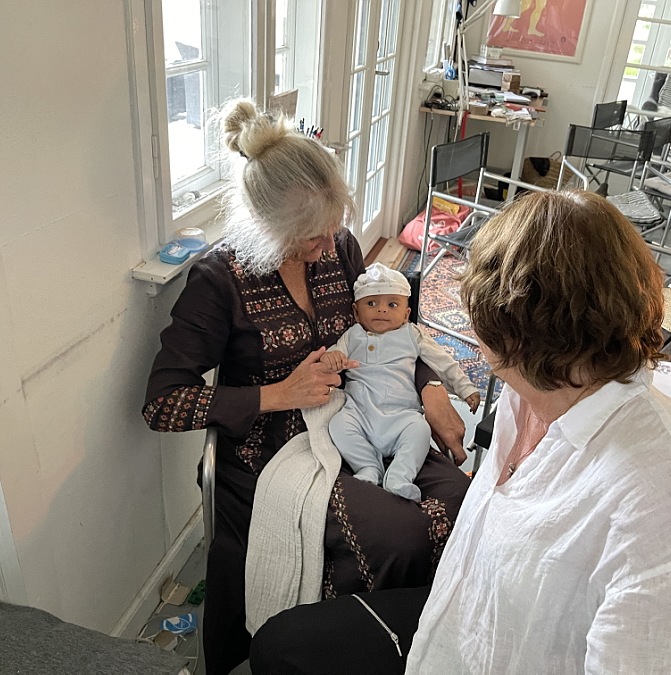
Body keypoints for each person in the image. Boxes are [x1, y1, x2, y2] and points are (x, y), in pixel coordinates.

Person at [250, 190, 671, 674]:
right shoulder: (531, 388)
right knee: (278, 646)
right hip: (457, 621)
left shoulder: (667, 509)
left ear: (514, 334)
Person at [142, 99, 471, 675]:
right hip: (271, 449)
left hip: (364, 412)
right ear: (267, 228)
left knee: (461, 500)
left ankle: (418, 649)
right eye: (312, 238)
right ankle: (337, 652)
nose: (330, 247)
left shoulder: (337, 248)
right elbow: (162, 404)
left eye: (333, 229)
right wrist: (277, 394)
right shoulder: (219, 282)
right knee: (400, 533)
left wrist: (430, 388)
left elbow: (386, 333)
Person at [321, 263, 480, 502]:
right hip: (360, 413)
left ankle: (399, 476)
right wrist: (331, 358)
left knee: (420, 430)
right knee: (338, 426)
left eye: (392, 305)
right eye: (371, 303)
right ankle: (367, 466)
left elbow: (442, 362)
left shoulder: (412, 334)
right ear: (356, 312)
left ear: (406, 314)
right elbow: (332, 356)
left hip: (402, 415)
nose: (381, 310)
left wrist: (465, 388)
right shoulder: (352, 336)